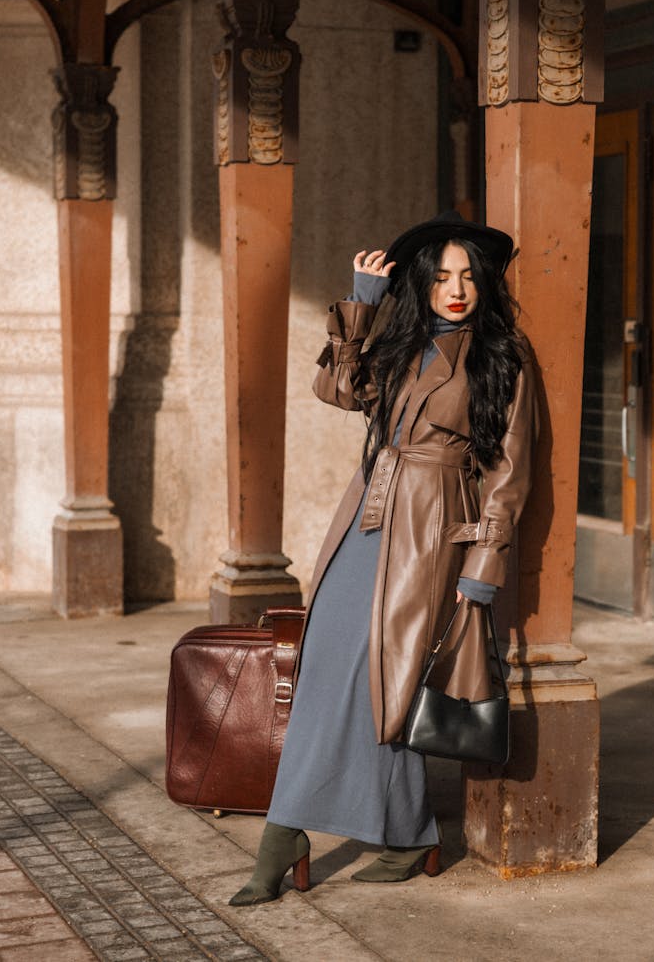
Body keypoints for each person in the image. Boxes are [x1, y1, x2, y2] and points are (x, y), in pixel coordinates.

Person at [229, 209, 539, 906]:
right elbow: (338, 389)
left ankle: (284, 837)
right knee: (327, 670)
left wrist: (482, 573)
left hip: (432, 532)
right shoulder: (404, 343)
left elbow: (511, 475)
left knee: (387, 681)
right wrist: (362, 305)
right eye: (443, 276)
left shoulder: (504, 356)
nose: (456, 288)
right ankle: (406, 834)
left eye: (468, 276)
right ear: (424, 284)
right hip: (367, 515)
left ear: (482, 283)